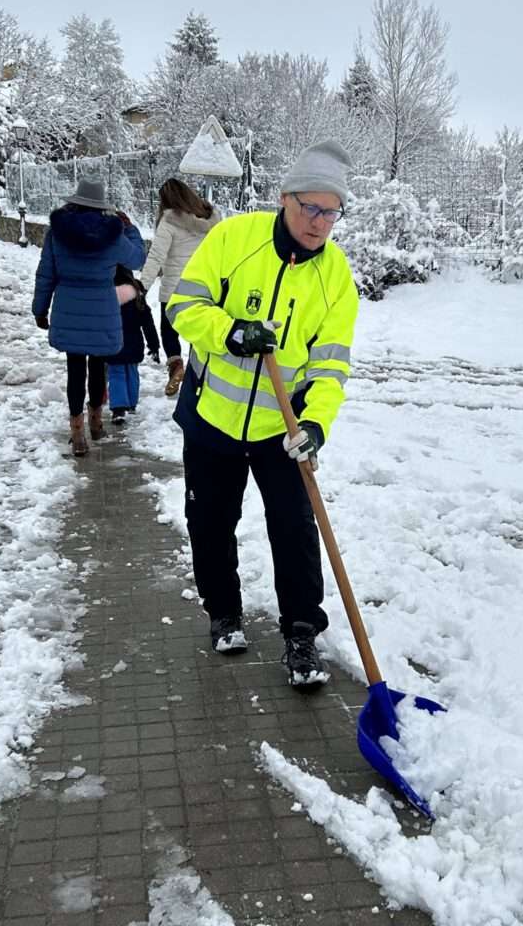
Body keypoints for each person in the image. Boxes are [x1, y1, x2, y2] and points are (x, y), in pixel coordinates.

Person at [165, 139, 359, 686]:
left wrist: (317, 423)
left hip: (283, 427)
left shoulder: (335, 276)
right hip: (212, 418)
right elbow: (182, 304)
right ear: (285, 199)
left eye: (332, 210)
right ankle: (223, 613)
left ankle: (301, 634)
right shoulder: (234, 238)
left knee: (296, 530)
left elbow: (331, 365)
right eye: (311, 207)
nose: (321, 221)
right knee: (210, 522)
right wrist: (228, 332)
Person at [32, 179, 145, 456]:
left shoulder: (57, 233)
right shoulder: (112, 234)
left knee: (74, 370)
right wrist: (130, 229)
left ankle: (77, 433)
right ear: (100, 206)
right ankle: (96, 423)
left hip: (68, 307)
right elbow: (137, 260)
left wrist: (40, 309)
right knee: (97, 366)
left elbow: (46, 273)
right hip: (102, 309)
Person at [138, 179, 221, 398]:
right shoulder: (211, 219)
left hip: (174, 288)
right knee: (200, 333)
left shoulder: (169, 221)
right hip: (205, 287)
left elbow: (157, 256)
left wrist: (142, 286)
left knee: (169, 331)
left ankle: (176, 366)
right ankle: (198, 376)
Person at [107, 266, 161, 424]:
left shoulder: (107, 295)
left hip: (113, 342)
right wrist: (154, 345)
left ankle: (118, 409)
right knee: (132, 372)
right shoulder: (137, 295)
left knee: (116, 374)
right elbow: (147, 322)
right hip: (134, 343)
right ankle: (131, 403)